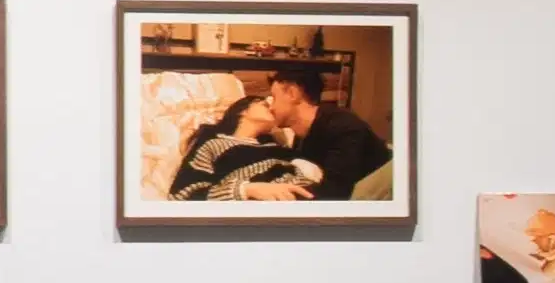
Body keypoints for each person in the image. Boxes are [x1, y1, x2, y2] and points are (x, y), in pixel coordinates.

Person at [167, 66, 394, 203]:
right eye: (262, 101)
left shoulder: (340, 127)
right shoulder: (214, 145)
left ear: (293, 93)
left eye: (273, 97)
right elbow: (184, 194)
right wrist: (249, 190)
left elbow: (334, 191)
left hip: (359, 191)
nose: (270, 103)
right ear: (242, 112)